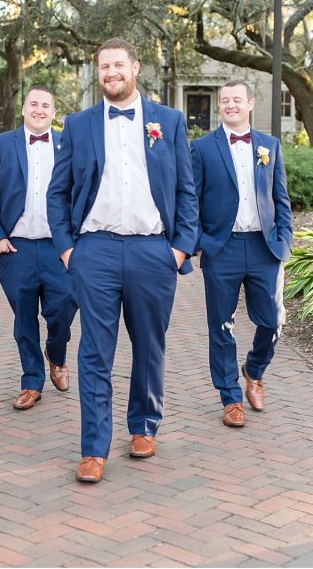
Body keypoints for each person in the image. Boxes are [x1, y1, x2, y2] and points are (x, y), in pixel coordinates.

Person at [48, 38, 198, 484]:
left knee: (149, 345)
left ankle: (144, 426)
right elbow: (57, 192)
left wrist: (179, 249)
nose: (111, 72)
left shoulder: (168, 122)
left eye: (118, 64)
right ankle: (93, 448)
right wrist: (67, 248)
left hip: (154, 251)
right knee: (94, 351)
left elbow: (186, 191)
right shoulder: (78, 125)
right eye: (103, 66)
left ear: (135, 67)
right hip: (94, 251)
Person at [191, 80, 292, 428]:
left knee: (273, 320)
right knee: (221, 325)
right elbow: (192, 199)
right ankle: (230, 398)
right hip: (222, 248)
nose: (230, 105)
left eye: (237, 99)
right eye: (225, 100)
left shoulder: (270, 145)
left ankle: (255, 369)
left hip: (265, 248)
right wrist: (199, 241)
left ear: (250, 103)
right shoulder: (202, 148)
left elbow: (281, 198)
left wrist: (285, 240)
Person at [0, 87, 77, 411]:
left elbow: (82, 194)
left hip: (58, 246)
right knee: (24, 317)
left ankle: (57, 354)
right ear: (23, 109)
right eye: (33, 103)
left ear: (53, 112)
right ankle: (32, 381)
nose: (39, 109)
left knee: (64, 307)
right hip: (15, 247)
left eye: (45, 105)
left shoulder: (69, 144)